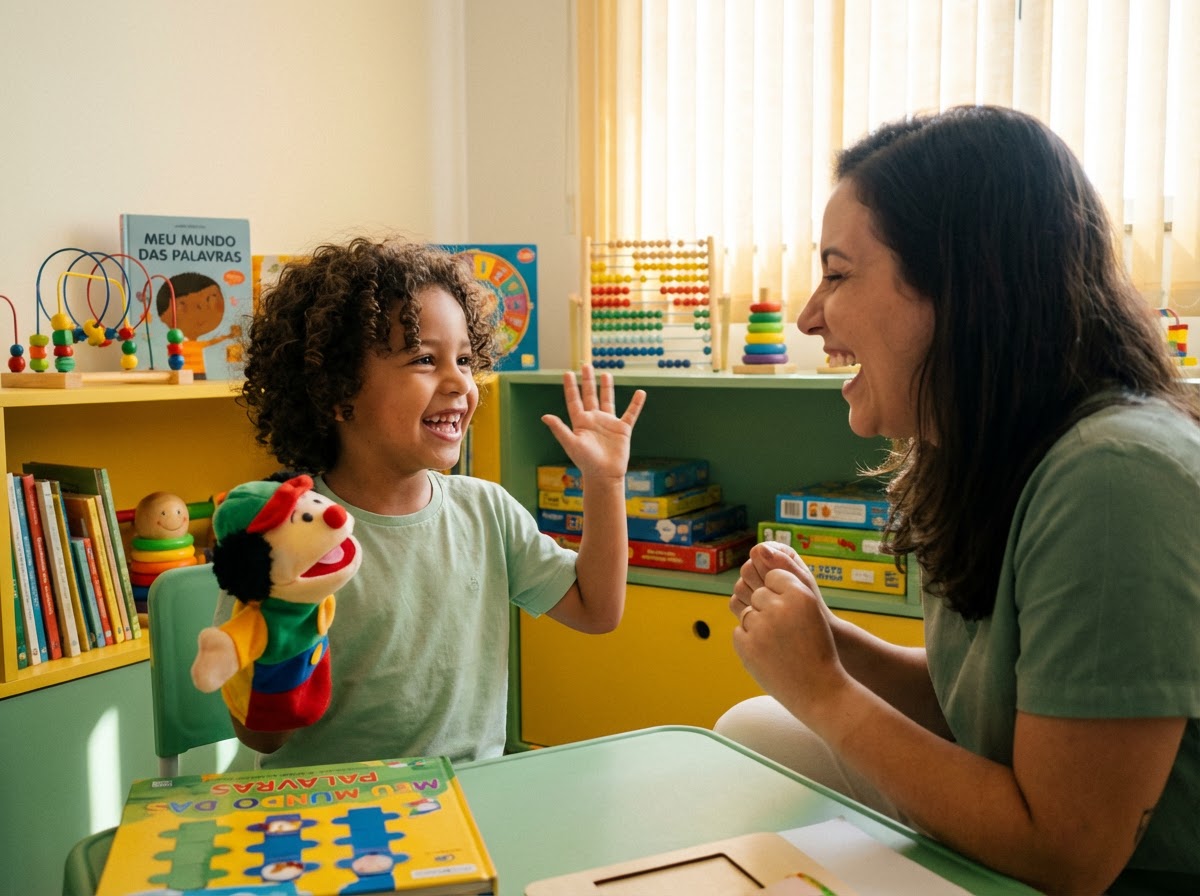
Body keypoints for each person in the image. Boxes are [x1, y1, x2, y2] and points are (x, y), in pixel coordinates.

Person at [715, 106, 1200, 895]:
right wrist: (829, 644)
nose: (808, 317)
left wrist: (824, 690)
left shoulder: (1116, 478)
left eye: (837, 274)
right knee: (751, 730)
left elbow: (1070, 856)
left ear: (962, 287)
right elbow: (981, 702)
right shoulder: (990, 454)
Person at [223, 236, 646, 769]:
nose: (460, 383)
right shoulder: (287, 529)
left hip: (468, 799)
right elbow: (262, 738)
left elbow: (597, 609)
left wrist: (605, 483)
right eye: (425, 359)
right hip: (332, 812)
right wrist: (287, 616)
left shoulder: (486, 511)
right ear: (336, 392)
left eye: (466, 360)